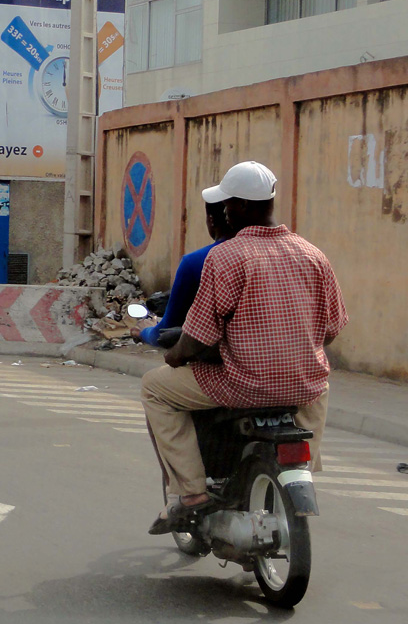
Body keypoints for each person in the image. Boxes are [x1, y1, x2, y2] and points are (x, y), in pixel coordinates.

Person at [141, 161, 348, 534]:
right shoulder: (313, 254)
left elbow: (199, 336)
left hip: (243, 386)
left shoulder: (225, 257)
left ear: (238, 207)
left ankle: (191, 494)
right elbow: (330, 331)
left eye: (227, 205)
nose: (224, 212)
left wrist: (175, 356)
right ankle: (303, 468)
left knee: (154, 388)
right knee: (322, 384)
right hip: (303, 387)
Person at [134, 202, 234, 347]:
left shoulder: (198, 261)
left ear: (211, 220)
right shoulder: (276, 252)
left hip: (226, 363)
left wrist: (143, 331)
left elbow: (164, 333)